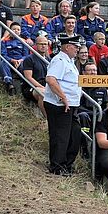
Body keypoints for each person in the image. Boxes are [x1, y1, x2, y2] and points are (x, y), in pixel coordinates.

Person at [43, 34, 83, 176]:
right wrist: (63, 97)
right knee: (61, 136)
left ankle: (67, 164)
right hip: (59, 105)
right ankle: (57, 166)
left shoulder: (69, 61)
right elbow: (51, 79)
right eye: (75, 47)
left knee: (74, 134)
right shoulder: (59, 60)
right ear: (67, 47)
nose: (77, 49)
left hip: (71, 105)